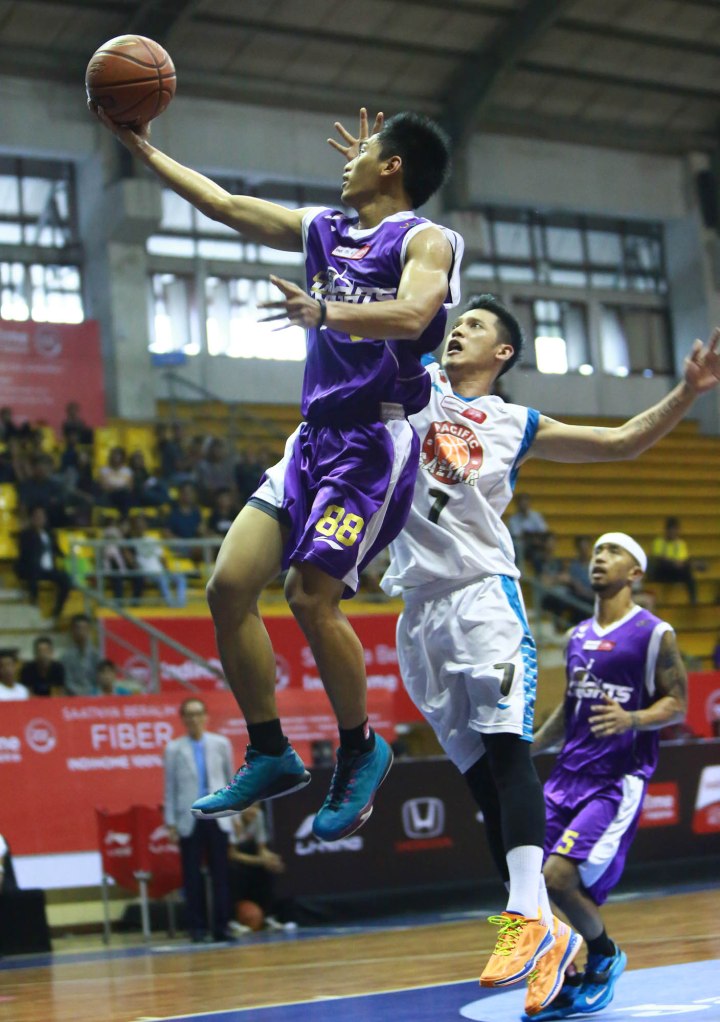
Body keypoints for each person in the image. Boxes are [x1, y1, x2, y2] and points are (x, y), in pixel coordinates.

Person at [92, 101, 462, 842]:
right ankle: (270, 751)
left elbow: (415, 311)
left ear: (392, 167)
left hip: (373, 444)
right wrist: (144, 149)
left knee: (309, 595)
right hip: (312, 441)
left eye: (362, 157)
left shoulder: (425, 238)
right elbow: (226, 206)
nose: (344, 163)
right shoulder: (326, 230)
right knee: (227, 585)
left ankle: (361, 750)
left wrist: (326, 314)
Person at [379, 291, 719, 1013]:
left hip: (481, 597)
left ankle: (528, 919)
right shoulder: (413, 385)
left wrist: (688, 391)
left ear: (502, 353)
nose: (457, 331)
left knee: (506, 759)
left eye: (473, 326)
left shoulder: (513, 422)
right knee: (481, 790)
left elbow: (623, 441)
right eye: (457, 322)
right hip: (418, 612)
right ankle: (560, 934)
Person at [531, 533, 687, 1020]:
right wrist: (527, 750)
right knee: (534, 886)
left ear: (635, 572)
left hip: (614, 780)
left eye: (613, 552)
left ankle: (605, 955)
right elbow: (568, 709)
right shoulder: (577, 635)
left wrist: (632, 719)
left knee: (559, 877)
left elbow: (677, 701)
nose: (600, 559)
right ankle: (565, 973)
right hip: (564, 778)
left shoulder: (654, 633)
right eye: (597, 552)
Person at [163, 698, 234, 943]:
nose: (194, 719)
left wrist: (233, 816)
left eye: (198, 714)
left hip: (217, 815)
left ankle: (222, 926)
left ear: (206, 716)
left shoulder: (221, 744)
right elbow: (169, 788)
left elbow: (229, 781)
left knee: (221, 874)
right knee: (191, 876)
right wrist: (170, 822)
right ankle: (197, 928)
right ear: (182, 719)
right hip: (189, 816)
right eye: (189, 715)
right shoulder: (174, 748)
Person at [227, 803, 288, 929]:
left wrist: (271, 859)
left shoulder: (258, 816)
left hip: (249, 855)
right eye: (250, 807)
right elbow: (231, 854)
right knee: (234, 873)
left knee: (270, 869)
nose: (253, 811)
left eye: (257, 807)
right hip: (231, 859)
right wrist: (260, 860)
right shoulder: (232, 819)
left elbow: (262, 849)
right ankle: (232, 920)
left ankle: (268, 916)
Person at [16, 506, 72, 620]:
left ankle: (58, 610)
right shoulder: (26, 534)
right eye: (36, 517)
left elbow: (58, 550)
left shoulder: (50, 534)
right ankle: (34, 602)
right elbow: (25, 554)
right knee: (33, 571)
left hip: (49, 569)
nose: (39, 519)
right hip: (32, 568)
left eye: (42, 517)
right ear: (32, 519)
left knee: (65, 578)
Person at [648, 515, 697, 605]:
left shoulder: (680, 543)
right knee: (663, 564)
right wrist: (673, 562)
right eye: (671, 530)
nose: (673, 532)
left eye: (675, 530)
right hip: (662, 572)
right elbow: (658, 558)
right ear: (666, 530)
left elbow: (683, 559)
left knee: (687, 570)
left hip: (676, 572)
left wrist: (679, 564)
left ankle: (693, 599)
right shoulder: (659, 542)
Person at [509, 493, 550, 574]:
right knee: (518, 545)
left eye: (525, 502)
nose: (524, 505)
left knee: (548, 541)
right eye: (522, 503)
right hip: (523, 546)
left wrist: (533, 537)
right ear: (518, 505)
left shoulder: (536, 516)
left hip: (536, 544)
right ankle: (521, 572)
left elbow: (544, 531)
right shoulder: (513, 519)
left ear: (529, 503)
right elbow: (517, 536)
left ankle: (546, 572)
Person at [61, 614, 101, 696]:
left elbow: (99, 679)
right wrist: (80, 694)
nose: (81, 632)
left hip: (94, 696)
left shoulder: (96, 655)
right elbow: (67, 681)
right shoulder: (66, 657)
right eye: (78, 628)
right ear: (73, 631)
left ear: (89, 630)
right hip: (73, 697)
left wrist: (91, 693)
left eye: (85, 628)